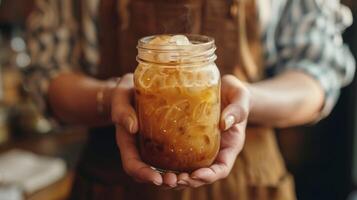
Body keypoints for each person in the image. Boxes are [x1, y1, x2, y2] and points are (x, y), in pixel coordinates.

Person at [25, 0, 355, 199]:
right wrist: (110, 97)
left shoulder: (208, 73)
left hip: (250, 187)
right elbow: (48, 75)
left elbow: (317, 72)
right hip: (110, 187)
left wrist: (247, 99)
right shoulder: (147, 72)